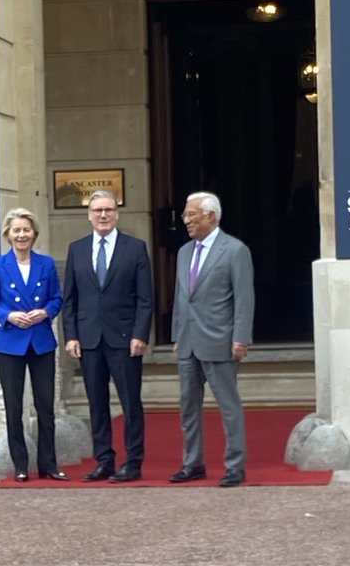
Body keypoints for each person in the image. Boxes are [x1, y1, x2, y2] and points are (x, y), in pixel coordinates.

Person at [62, 189, 152, 482]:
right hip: (89, 339)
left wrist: (140, 334)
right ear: (89, 215)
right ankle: (104, 461)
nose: (103, 215)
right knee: (96, 403)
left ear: (117, 213)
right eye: (97, 210)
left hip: (125, 339)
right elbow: (70, 299)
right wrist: (71, 335)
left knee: (130, 402)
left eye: (108, 210)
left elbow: (145, 298)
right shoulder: (77, 249)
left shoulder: (135, 248)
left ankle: (133, 462)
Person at [170, 191, 255, 488]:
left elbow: (244, 298)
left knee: (228, 406)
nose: (186, 220)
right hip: (188, 342)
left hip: (220, 340)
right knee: (188, 407)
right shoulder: (184, 252)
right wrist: (176, 335)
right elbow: (181, 298)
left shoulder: (234, 250)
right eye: (185, 215)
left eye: (191, 214)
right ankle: (192, 463)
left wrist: (241, 338)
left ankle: (235, 465)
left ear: (211, 216)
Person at [0, 208, 68, 482]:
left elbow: (56, 299)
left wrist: (45, 312)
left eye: (26, 230)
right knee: (13, 407)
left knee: (45, 407)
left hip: (41, 341)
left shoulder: (46, 263)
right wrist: (8, 316)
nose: (21, 235)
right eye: (16, 230)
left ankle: (48, 464)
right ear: (7, 234)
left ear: (34, 234)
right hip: (10, 343)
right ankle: (20, 465)